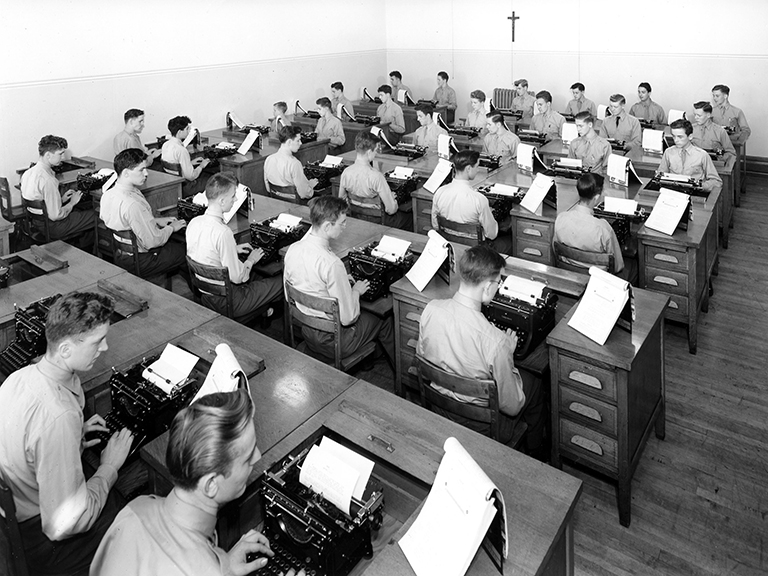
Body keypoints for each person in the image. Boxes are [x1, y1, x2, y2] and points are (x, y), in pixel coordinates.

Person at [91, 389, 305, 576]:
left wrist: (222, 563)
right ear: (211, 485)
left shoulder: (135, 508)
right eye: (247, 457)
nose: (258, 457)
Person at [0, 292, 133, 575]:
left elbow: (29, 435)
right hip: (41, 542)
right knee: (135, 518)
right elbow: (64, 525)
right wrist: (109, 468)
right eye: (98, 341)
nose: (106, 347)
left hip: (18, 503)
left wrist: (76, 435)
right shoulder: (58, 417)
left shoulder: (17, 378)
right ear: (65, 349)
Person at [417, 245, 546, 456]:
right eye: (498, 282)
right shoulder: (496, 342)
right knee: (534, 383)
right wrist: (509, 357)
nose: (498, 287)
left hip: (438, 406)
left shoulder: (430, 310)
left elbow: (421, 357)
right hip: (482, 425)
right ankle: (536, 453)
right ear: (487, 287)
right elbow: (511, 406)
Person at [283, 196, 395, 366]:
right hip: (334, 342)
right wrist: (356, 291)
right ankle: (393, 373)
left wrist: (339, 283)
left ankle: (367, 360)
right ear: (327, 226)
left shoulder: (293, 249)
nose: (344, 227)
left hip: (306, 331)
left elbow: (288, 295)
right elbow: (348, 318)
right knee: (383, 316)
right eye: (342, 223)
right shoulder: (332, 264)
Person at [186, 172, 283, 319]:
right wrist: (251, 260)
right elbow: (238, 278)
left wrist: (233, 249)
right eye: (233, 196)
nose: (236, 199)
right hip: (229, 301)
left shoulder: (194, 222)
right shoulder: (223, 232)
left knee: (258, 275)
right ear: (222, 201)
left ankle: (265, 309)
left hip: (205, 295)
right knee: (281, 280)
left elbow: (204, 250)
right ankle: (269, 313)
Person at [101, 148, 188, 278]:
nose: (146, 173)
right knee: (186, 251)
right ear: (125, 173)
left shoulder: (108, 194)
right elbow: (153, 241)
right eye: (141, 170)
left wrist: (156, 221)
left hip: (120, 254)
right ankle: (198, 295)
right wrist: (171, 228)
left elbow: (127, 223)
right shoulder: (132, 204)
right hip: (141, 260)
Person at [553, 173, 635, 282]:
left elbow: (555, 250)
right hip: (598, 281)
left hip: (570, 275)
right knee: (633, 265)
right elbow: (617, 267)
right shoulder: (603, 228)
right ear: (596, 198)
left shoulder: (561, 218)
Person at [20, 134, 96, 249]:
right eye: (60, 154)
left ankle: (81, 247)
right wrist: (72, 203)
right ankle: (86, 253)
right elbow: (55, 215)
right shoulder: (48, 180)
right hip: (53, 227)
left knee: (80, 213)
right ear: (48, 155)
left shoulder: (28, 173)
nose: (62, 157)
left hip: (37, 223)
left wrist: (61, 199)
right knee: (95, 215)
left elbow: (41, 202)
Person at [431, 150, 511, 255]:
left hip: (451, 246)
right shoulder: (479, 199)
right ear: (468, 168)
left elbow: (435, 225)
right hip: (477, 252)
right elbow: (492, 234)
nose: (478, 170)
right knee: (510, 242)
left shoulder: (439, 193)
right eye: (477, 166)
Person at [338, 131, 411, 230]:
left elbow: (341, 201)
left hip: (357, 218)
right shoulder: (377, 176)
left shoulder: (346, 173)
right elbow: (391, 210)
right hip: (379, 222)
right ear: (369, 152)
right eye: (375, 150)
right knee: (409, 218)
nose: (376, 153)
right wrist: (393, 200)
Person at [659, 119, 723, 194]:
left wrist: (700, 186)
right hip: (672, 193)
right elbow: (660, 175)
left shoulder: (702, 155)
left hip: (694, 194)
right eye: (674, 136)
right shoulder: (668, 152)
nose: (676, 140)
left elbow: (717, 182)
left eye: (680, 137)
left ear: (690, 137)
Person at [263, 126, 319, 200]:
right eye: (298, 140)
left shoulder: (269, 159)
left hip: (276, 203)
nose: (301, 143)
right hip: (295, 205)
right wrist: (310, 185)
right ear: (289, 142)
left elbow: (268, 188)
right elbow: (304, 194)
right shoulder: (294, 164)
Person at [161, 115, 211, 196]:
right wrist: (201, 166)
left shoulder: (166, 145)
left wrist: (190, 162)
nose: (189, 131)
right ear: (180, 132)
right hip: (186, 187)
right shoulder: (181, 150)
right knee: (212, 178)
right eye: (187, 129)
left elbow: (176, 164)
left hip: (173, 183)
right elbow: (191, 176)